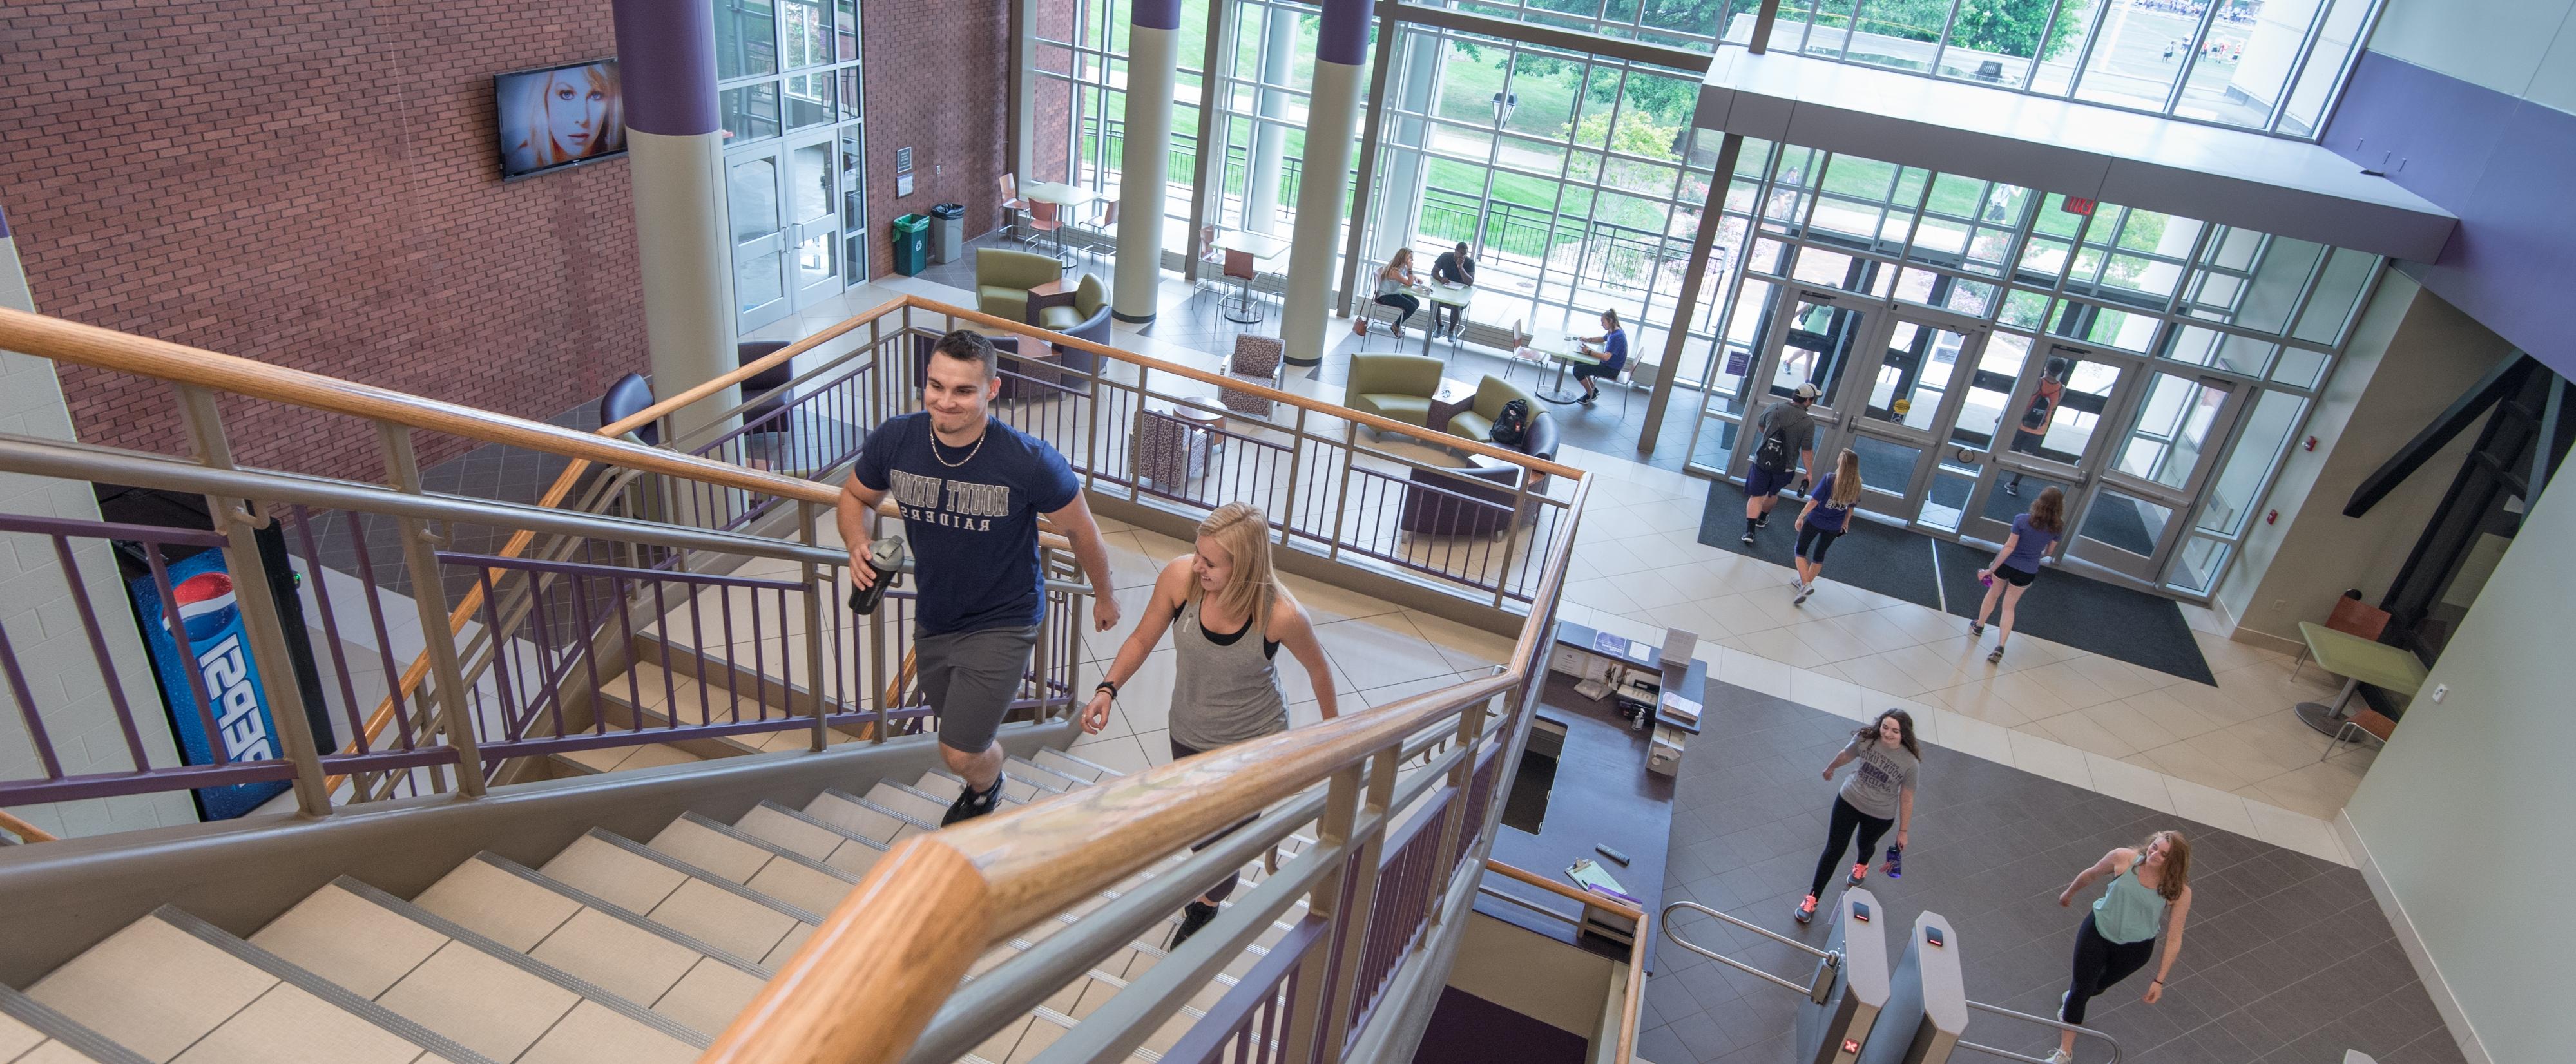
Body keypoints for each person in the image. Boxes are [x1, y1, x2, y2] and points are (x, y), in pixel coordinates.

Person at [839, 330, 1121, 825]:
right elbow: (855, 497)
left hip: (1004, 618)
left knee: (959, 749)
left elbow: (1081, 532)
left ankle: (988, 786)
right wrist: (857, 543)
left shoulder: (1029, 461)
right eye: (935, 386)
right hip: (936, 615)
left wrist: (1104, 595)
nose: (945, 402)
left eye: (963, 391)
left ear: (991, 390)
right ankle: (979, 772)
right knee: (955, 725)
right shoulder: (897, 439)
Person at [1080, 502, 1340, 947]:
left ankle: (1207, 902)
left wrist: (1336, 740)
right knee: (1200, 832)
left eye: (1210, 562)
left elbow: (1319, 671)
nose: (1197, 565)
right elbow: (1143, 638)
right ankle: (1206, 888)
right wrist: (1108, 689)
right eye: (1196, 553)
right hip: (1189, 731)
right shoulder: (1181, 580)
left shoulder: (1280, 615)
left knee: (1222, 849)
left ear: (1245, 567)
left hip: (1253, 747)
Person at [2045, 831, 2195, 1064]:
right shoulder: (2124, 858)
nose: (2154, 854)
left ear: (2175, 861)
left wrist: (2160, 980)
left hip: (2134, 950)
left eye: (2164, 854)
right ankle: (2065, 1053)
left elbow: (2175, 938)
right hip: (2098, 932)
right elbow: (2091, 874)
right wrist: (2069, 893)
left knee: (2096, 986)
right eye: (2154, 847)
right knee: (2081, 990)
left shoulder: (2179, 892)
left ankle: (2074, 999)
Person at [1795, 709, 1919, 926]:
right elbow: (1847, 754)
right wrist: (1831, 768)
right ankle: (1813, 897)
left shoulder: (1910, 763)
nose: (1888, 734)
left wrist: (1904, 831)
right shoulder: (1866, 739)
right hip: (1849, 800)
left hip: (1880, 814)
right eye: (1885, 727)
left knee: (1865, 844)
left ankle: (1862, 863)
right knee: (1834, 849)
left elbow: (1907, 798)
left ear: (1904, 734)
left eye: (1895, 731)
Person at [1971, 486, 2065, 665]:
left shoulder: (2021, 520)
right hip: (2028, 571)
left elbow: (2009, 547)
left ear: (2039, 502)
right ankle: (2000, 646)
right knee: (2009, 607)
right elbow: (2049, 552)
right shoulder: (2057, 528)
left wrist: (1990, 570)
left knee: (1993, 594)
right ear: (2059, 507)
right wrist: (2036, 555)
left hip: (2006, 565)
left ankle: (1979, 625)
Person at [504, 62, 622, 173]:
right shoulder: (519, 164)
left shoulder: (624, 149)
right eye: (566, 94)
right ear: (544, 100)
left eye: (596, 95)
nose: (582, 119)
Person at [1740, 383, 1820, 545]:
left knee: (1756, 495)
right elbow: (1806, 450)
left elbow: (1761, 426)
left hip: (1762, 461)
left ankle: (1750, 531)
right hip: (1785, 467)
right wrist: (1809, 472)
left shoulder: (1774, 408)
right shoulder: (1807, 422)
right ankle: (1762, 518)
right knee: (1771, 494)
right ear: (1808, 401)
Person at [1791, 450, 1861, 607]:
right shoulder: (1857, 485)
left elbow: (1814, 501)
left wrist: (1801, 516)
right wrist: (1846, 522)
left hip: (1816, 520)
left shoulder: (1830, 479)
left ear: (1842, 464)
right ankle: (1804, 584)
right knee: (1819, 555)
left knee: (1800, 550)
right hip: (1835, 525)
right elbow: (1850, 508)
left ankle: (1806, 584)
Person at [2005, 357, 2070, 496]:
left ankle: (1991, 474)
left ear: (2046, 367)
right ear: (2060, 372)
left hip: (2022, 423)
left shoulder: (2038, 382)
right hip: (2040, 428)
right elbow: (2054, 406)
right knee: (2026, 458)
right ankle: (2014, 484)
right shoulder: (2062, 389)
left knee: (2007, 450)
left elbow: (2024, 400)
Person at [1570, 309, 1628, 406]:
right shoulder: (1613, 331)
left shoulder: (1617, 337)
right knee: (1578, 362)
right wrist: (1589, 340)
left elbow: (1606, 357)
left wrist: (1589, 351)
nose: (1602, 325)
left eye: (1603, 322)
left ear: (1610, 321)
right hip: (1608, 365)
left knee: (1577, 370)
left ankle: (1590, 394)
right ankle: (1594, 390)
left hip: (1611, 370)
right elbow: (1602, 339)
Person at [1430, 242, 1477, 338]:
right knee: (1434, 302)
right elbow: (1434, 272)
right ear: (1456, 251)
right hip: (1445, 289)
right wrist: (1441, 279)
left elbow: (1470, 282)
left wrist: (1461, 267)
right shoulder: (1445, 257)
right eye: (1461, 253)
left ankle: (1451, 330)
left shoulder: (1470, 263)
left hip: (1461, 293)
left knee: (1456, 306)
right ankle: (1439, 325)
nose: (1463, 256)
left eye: (1465, 254)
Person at [1373, 249, 1423, 339]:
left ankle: (1397, 325)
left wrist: (1415, 278)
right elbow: (1409, 283)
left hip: (1394, 293)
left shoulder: (1402, 267)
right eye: (1410, 258)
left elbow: (1409, 276)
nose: (1412, 260)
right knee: (1411, 307)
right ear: (1403, 258)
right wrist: (1411, 269)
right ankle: (1396, 325)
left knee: (1416, 303)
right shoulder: (1395, 271)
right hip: (1386, 296)